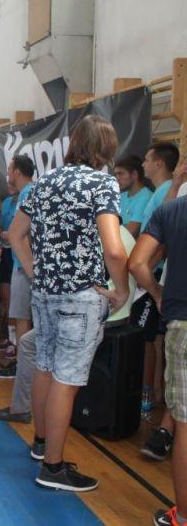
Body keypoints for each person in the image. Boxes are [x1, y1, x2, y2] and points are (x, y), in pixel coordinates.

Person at [8, 114, 129, 491]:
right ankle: (54, 467)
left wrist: (35, 272)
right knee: (67, 380)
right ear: (107, 148)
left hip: (45, 293)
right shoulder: (102, 183)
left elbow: (15, 234)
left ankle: (41, 445)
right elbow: (113, 248)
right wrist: (122, 289)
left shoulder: (44, 182)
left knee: (45, 367)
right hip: (81, 295)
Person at [128, 192, 187, 526]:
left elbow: (137, 263)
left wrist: (157, 293)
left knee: (185, 423)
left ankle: (184, 517)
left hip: (183, 321)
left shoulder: (172, 210)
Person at [134, 142, 180, 454]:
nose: (144, 165)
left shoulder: (169, 199)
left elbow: (150, 251)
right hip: (162, 286)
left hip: (164, 288)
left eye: (148, 159)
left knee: (151, 340)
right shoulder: (166, 196)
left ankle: (151, 397)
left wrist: (152, 286)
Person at [0, 154, 36, 376]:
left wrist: (27, 267)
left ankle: (22, 368)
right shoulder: (30, 192)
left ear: (17, 172)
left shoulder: (28, 194)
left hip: (24, 266)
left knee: (22, 317)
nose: (8, 174)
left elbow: (22, 233)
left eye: (10, 169)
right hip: (24, 264)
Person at [0, 182, 18, 356]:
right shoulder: (6, 203)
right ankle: (10, 337)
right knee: (6, 296)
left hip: (18, 253)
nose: (10, 185)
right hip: (6, 251)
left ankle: (16, 341)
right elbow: (2, 227)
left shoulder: (27, 198)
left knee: (17, 300)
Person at [115, 155, 152, 238]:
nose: (117, 178)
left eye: (121, 174)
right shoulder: (120, 197)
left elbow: (130, 233)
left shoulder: (146, 197)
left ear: (134, 174)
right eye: (116, 174)